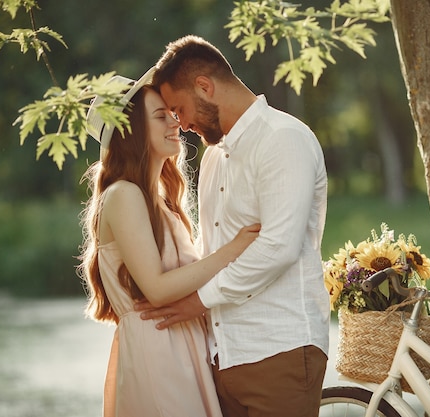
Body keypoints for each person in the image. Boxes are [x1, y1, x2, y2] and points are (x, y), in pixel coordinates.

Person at [136, 35, 330, 417]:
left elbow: (278, 248)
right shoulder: (212, 160)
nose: (181, 124)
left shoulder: (283, 139)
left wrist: (198, 301)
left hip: (279, 352)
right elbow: (212, 253)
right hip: (222, 358)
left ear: (204, 86)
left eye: (179, 108)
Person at [78, 67, 260, 417]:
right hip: (158, 350)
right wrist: (233, 250)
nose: (175, 122)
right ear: (130, 132)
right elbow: (158, 290)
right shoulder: (122, 195)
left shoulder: (163, 202)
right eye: (160, 116)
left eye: (172, 114)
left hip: (185, 347)